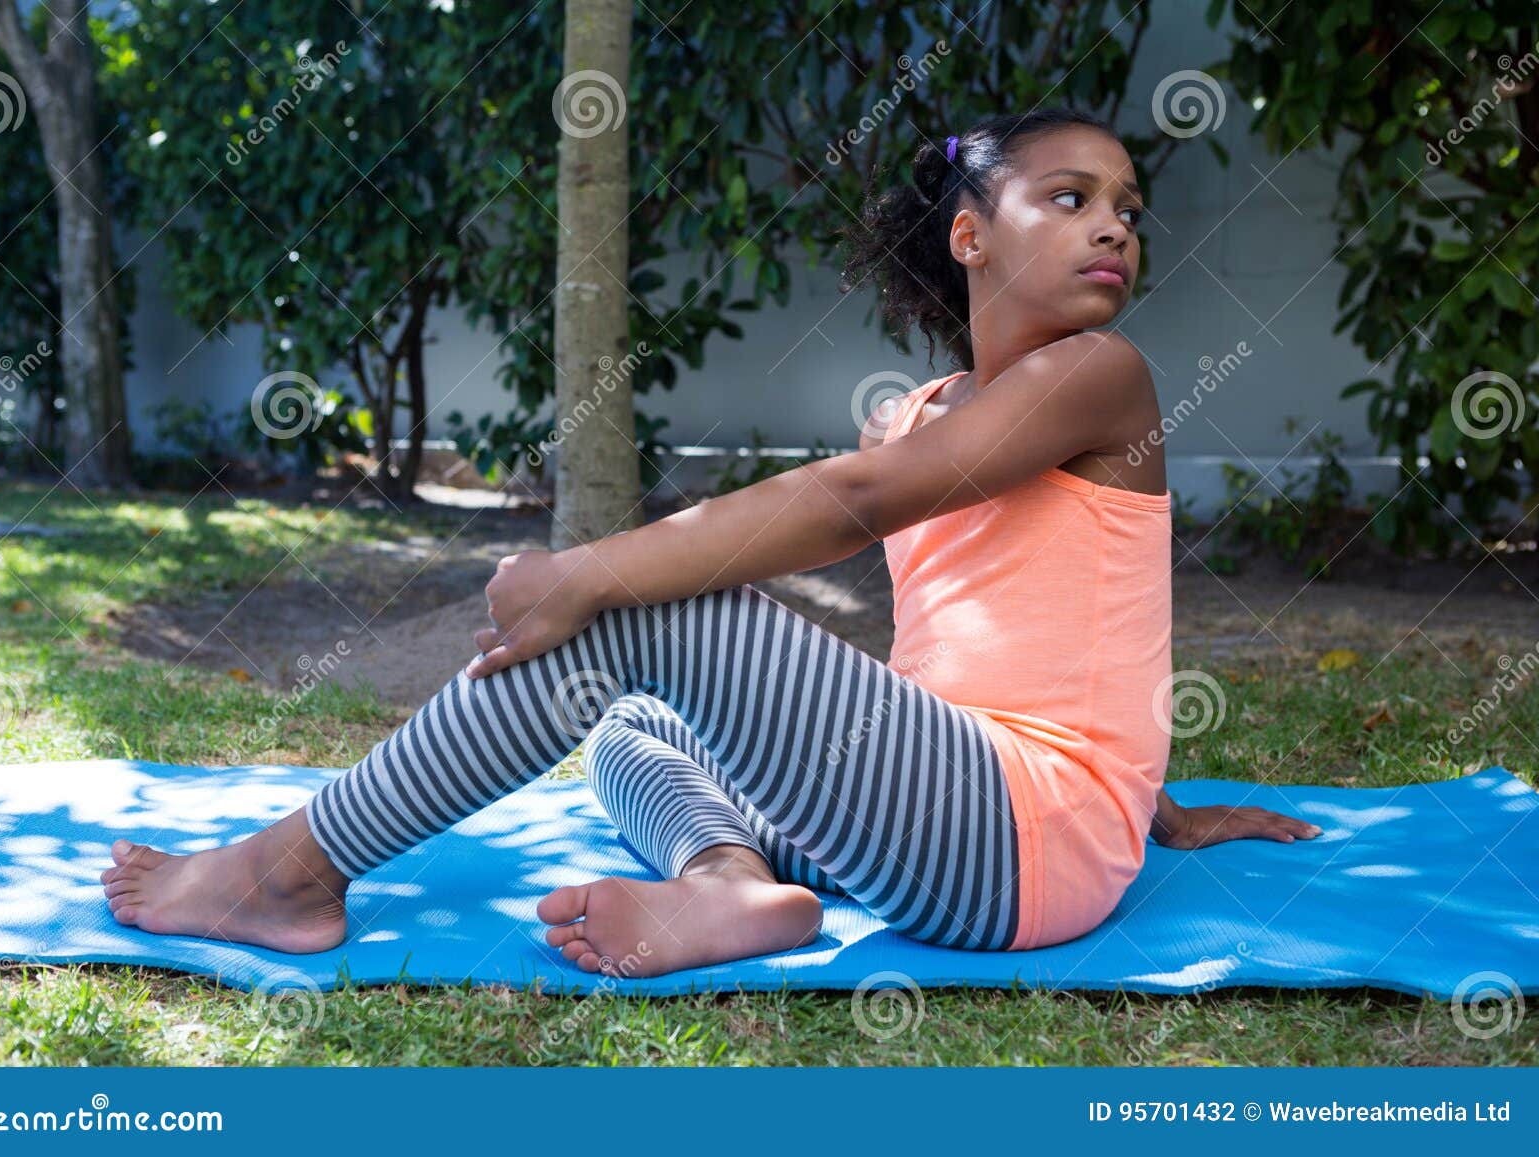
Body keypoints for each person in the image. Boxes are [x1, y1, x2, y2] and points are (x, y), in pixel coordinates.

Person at [101, 107, 1321, 977]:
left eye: (1126, 209)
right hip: (959, 821)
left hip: (1014, 847)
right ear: (970, 237)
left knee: (651, 612)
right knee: (631, 722)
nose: (1114, 227)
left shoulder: (1100, 374)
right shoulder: (917, 415)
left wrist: (587, 569)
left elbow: (851, 502)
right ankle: (730, 881)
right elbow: (1037, 642)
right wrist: (1152, 807)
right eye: (1070, 198)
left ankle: (290, 869)